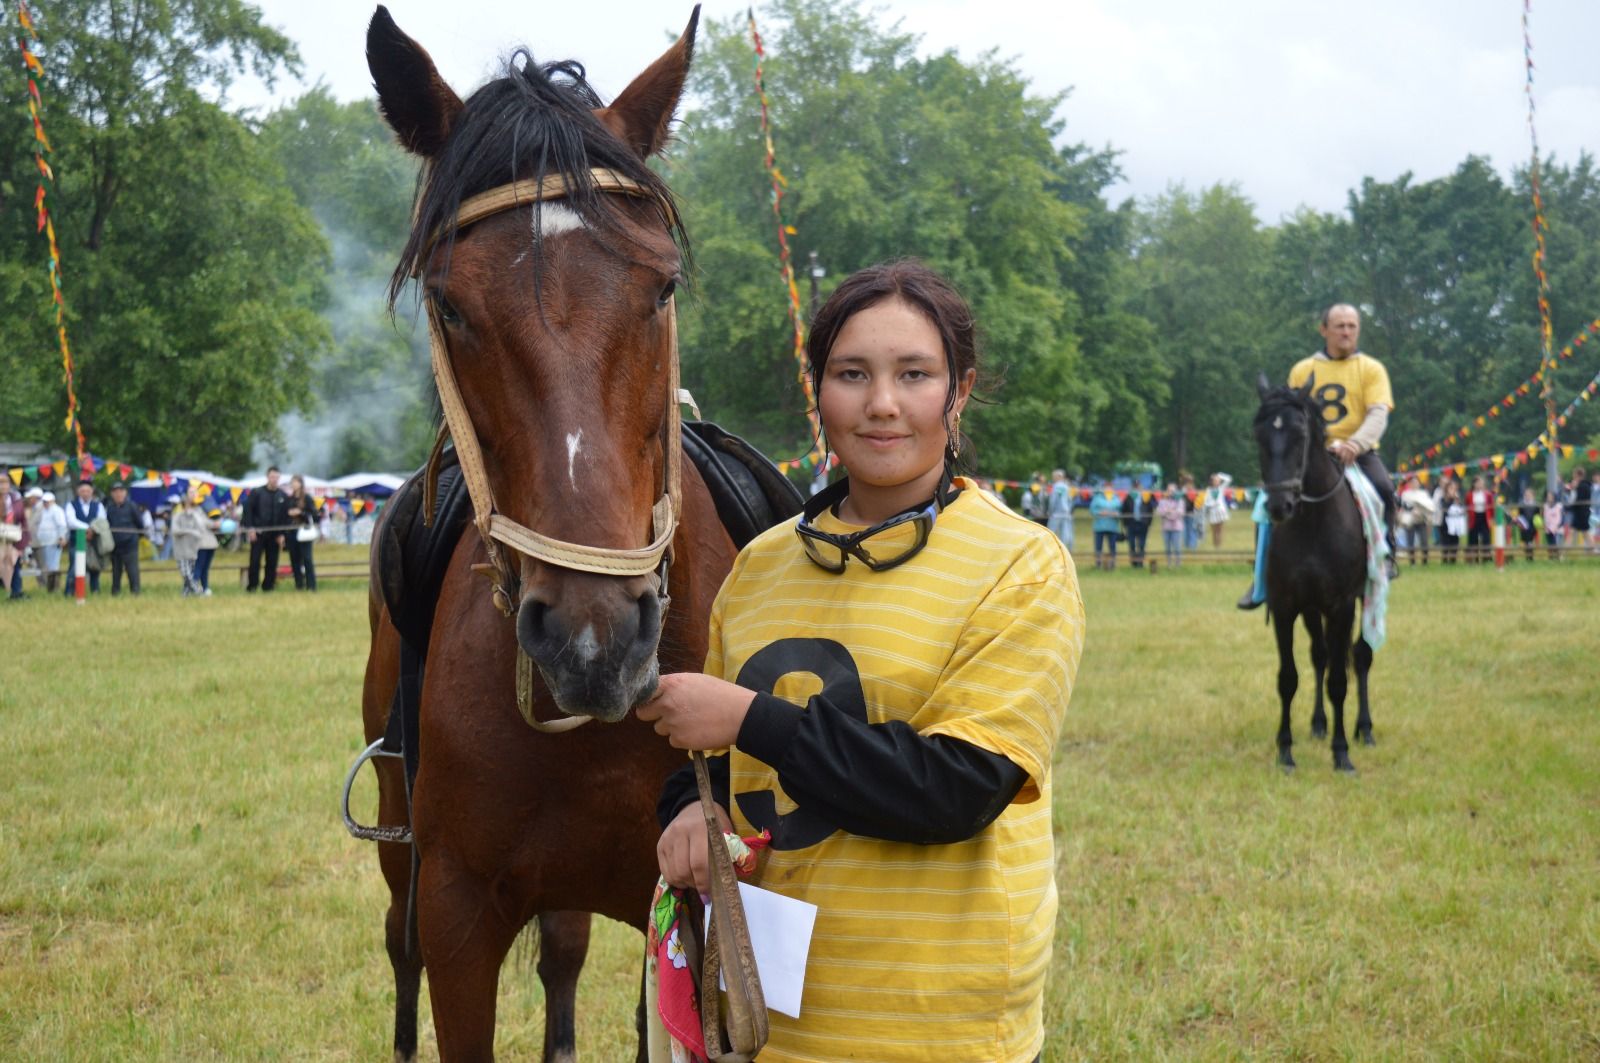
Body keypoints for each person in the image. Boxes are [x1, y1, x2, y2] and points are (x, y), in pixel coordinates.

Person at [638, 260, 1084, 1063]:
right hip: (767, 1021)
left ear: (960, 391)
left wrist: (751, 717)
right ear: (819, 393)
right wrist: (683, 809)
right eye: (852, 374)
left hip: (937, 1027)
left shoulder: (1022, 564)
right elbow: (710, 760)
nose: (881, 403)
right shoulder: (761, 565)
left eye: (914, 374)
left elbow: (956, 788)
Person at [1239, 303, 1398, 609]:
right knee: (1265, 505)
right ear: (1324, 330)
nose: (1346, 332)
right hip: (1311, 454)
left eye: (1352, 326)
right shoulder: (1302, 370)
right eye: (1339, 326)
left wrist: (1355, 444)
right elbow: (1290, 415)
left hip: (1358, 452)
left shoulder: (1372, 369)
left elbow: (1378, 415)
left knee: (1385, 489)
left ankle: (1386, 555)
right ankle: (1261, 577)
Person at [242, 466, 289, 592]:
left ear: (279, 478)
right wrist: (250, 528)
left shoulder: (283, 496)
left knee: (272, 561)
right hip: (258, 533)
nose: (274, 479)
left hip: (275, 535)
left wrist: (282, 534)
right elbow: (248, 511)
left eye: (277, 477)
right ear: (267, 477)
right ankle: (252, 586)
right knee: (255, 561)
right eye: (272, 477)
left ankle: (268, 586)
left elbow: (285, 517)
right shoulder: (256, 493)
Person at [63, 478, 106, 595]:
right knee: (74, 567)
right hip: (76, 541)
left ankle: (95, 590)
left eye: (88, 491)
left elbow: (102, 520)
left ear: (92, 491)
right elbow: (71, 522)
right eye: (83, 491)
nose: (85, 493)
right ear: (78, 492)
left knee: (94, 567)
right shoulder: (71, 505)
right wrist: (87, 528)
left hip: (94, 541)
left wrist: (93, 530)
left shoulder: (98, 505)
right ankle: (70, 592)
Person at [102, 481, 145, 595]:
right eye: (115, 492)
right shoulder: (110, 508)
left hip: (130, 545)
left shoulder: (132, 506)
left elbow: (140, 524)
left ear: (125, 493)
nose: (118, 494)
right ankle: (115, 592)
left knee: (132, 571)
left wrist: (135, 537)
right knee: (116, 571)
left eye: (121, 491)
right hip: (115, 545)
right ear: (112, 494)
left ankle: (135, 592)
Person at [284, 474, 319, 591]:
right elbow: (284, 515)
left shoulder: (307, 498)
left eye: (296, 482)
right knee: (294, 560)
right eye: (292, 482)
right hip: (292, 532)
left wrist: (300, 512)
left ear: (301, 484)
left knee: (307, 559)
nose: (294, 485)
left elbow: (315, 514)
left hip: (304, 532)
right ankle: (299, 584)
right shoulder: (289, 499)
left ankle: (311, 585)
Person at [169, 494, 207, 596]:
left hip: (192, 550)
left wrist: (195, 515)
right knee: (186, 574)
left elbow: (201, 529)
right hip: (180, 551)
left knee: (190, 574)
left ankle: (185, 594)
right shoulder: (177, 516)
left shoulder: (195, 516)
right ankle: (199, 591)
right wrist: (189, 531)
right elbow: (175, 530)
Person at [32, 491, 66, 594]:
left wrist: (61, 537)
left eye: (48, 501)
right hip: (44, 542)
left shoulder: (57, 510)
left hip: (54, 541)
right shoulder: (43, 511)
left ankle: (55, 587)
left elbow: (62, 525)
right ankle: (50, 587)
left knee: (53, 565)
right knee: (48, 565)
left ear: (52, 501)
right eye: (44, 501)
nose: (46, 503)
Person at [0, 475, 26, 598]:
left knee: (14, 564)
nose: (3, 486)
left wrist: (24, 541)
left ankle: (16, 592)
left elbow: (23, 520)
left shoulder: (15, 500)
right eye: (1, 484)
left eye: (5, 483)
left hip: (13, 538)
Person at [1090, 486, 1122, 570]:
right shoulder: (1097, 498)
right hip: (1099, 527)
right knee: (1098, 546)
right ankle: (1098, 563)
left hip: (1112, 526)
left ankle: (1112, 563)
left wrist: (1117, 514)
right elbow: (1092, 510)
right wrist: (1099, 512)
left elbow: (1121, 510)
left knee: (1112, 546)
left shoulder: (1116, 498)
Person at [1120, 484, 1152, 568]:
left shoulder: (1146, 498)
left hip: (1143, 524)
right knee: (1131, 544)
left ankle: (1140, 562)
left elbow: (1150, 510)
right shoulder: (1129, 497)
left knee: (1141, 544)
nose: (1137, 489)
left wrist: (1148, 523)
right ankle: (1134, 563)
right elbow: (1123, 510)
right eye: (1135, 487)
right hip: (1131, 524)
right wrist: (1125, 523)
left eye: (1138, 487)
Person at [1156, 482, 1186, 568]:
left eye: (1173, 491)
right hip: (1166, 527)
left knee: (1177, 547)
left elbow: (1180, 512)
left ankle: (1178, 564)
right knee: (1167, 547)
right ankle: (1169, 564)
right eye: (1169, 490)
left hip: (1177, 527)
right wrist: (1169, 512)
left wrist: (1169, 513)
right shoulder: (1162, 501)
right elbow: (1159, 511)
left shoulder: (1180, 501)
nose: (1171, 492)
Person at [1465, 475, 1494, 564]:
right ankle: (1474, 559)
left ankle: (1487, 558)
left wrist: (1491, 518)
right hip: (1474, 517)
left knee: (1486, 538)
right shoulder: (1469, 495)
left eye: (1481, 483)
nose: (1480, 485)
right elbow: (1467, 506)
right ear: (1474, 484)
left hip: (1484, 517)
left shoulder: (1487, 494)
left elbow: (1491, 506)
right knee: (1473, 539)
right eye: (1478, 483)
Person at [1045, 467, 1074, 550]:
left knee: (1051, 533)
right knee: (1065, 534)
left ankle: (1049, 549)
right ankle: (1065, 551)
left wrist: (1050, 511)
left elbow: (1053, 501)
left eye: (1053, 476)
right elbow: (1070, 500)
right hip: (1066, 514)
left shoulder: (1055, 487)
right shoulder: (1067, 487)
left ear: (1058, 477)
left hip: (1056, 514)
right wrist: (1068, 510)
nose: (1053, 478)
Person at [1438, 478, 1465, 564]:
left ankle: (1453, 560)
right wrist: (1450, 499)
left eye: (1454, 488)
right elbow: (1444, 508)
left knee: (1455, 542)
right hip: (1446, 524)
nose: (1452, 490)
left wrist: (1456, 500)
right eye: (1451, 488)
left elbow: (1461, 508)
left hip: (1456, 524)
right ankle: (1445, 560)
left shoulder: (1457, 499)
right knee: (1446, 542)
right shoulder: (1443, 499)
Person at [1203, 472, 1231, 548]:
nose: (1217, 482)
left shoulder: (1221, 488)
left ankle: (1219, 546)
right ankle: (1215, 545)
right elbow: (1206, 501)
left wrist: (1219, 475)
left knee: (1220, 530)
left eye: (1218, 480)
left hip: (1220, 511)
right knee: (1214, 531)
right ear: (1212, 481)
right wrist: (1212, 504)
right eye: (1215, 480)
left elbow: (1229, 479)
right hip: (1212, 511)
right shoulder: (1208, 490)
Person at [1567, 467, 1591, 550]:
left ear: (1578, 475)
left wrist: (1574, 489)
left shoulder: (1583, 486)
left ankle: (1564, 553)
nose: (1573, 477)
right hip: (1581, 513)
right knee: (1581, 532)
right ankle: (1565, 552)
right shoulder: (1585, 485)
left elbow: (1577, 500)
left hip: (1581, 513)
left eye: (1574, 475)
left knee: (1581, 532)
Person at [1515, 486, 1540, 562]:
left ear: (1533, 495)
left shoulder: (1536, 505)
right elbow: (1520, 515)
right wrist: (1519, 523)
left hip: (1532, 526)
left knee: (1530, 542)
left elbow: (1538, 515)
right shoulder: (1522, 504)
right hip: (1524, 526)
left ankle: (1531, 557)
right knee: (1526, 542)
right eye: (1526, 495)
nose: (1527, 496)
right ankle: (1528, 557)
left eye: (1529, 495)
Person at [1542, 490, 1565, 560]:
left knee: (1557, 544)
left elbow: (1563, 518)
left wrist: (1558, 526)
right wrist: (1545, 525)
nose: (1549, 498)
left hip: (1557, 529)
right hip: (1548, 529)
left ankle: (1559, 558)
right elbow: (1543, 516)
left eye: (1550, 496)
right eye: (1548, 496)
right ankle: (1551, 558)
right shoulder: (1545, 506)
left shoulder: (1559, 506)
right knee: (1550, 544)